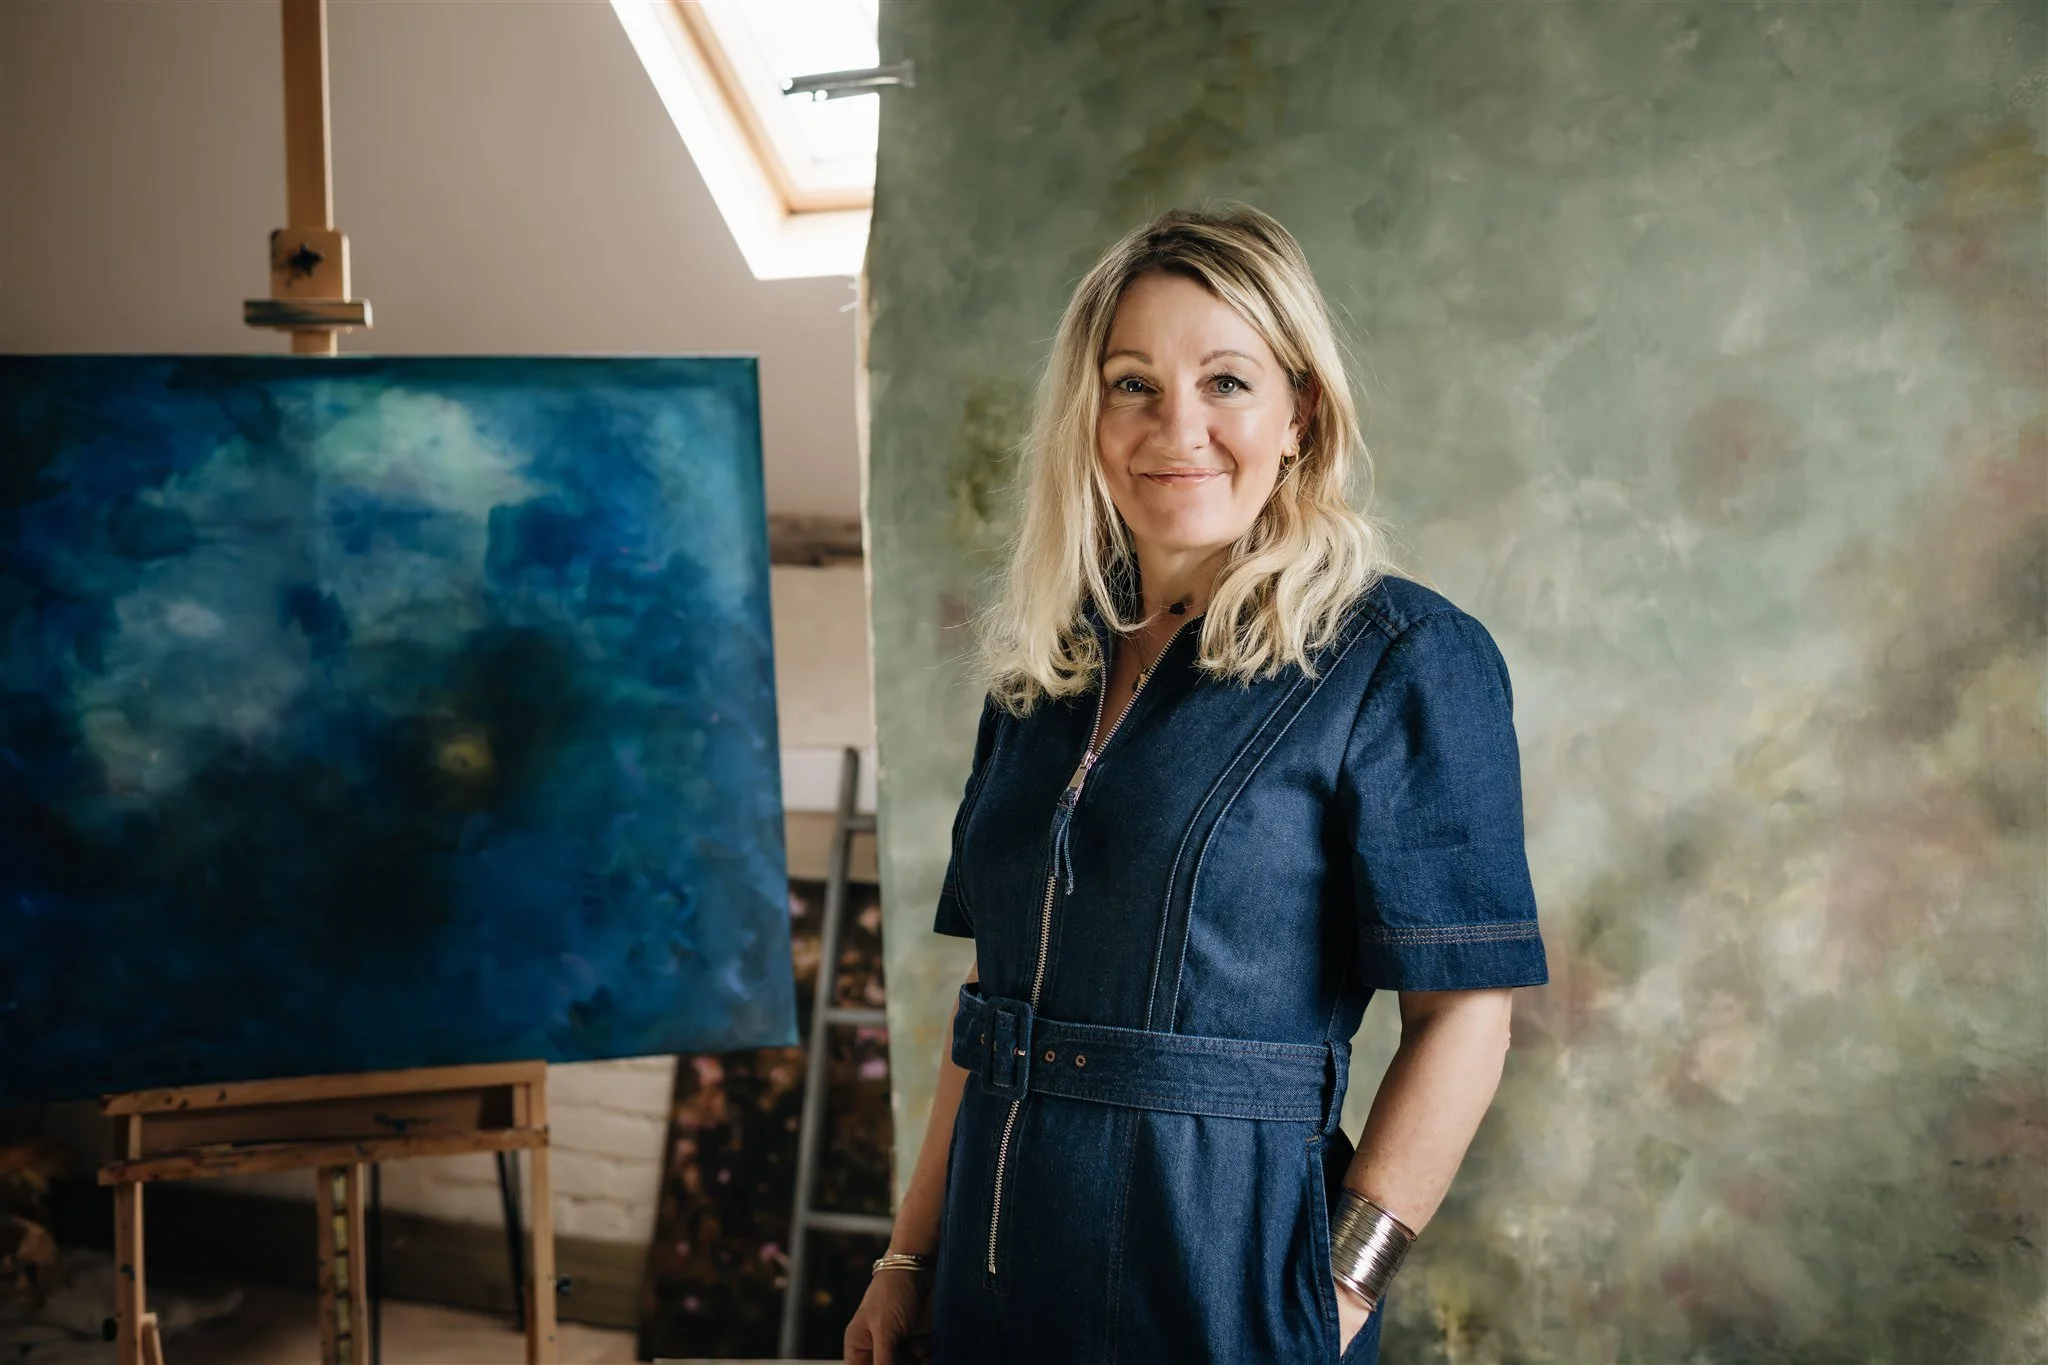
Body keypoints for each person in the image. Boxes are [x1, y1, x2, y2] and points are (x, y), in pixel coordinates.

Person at [844, 202, 1548, 1365]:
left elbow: (1465, 1017)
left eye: (1226, 381)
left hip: (1224, 1288)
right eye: (1132, 385)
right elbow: (990, 1002)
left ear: (1297, 413)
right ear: (1087, 417)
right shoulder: (1039, 671)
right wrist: (906, 1262)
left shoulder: (1401, 659)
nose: (1177, 427)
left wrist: (1338, 1295)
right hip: (989, 1287)